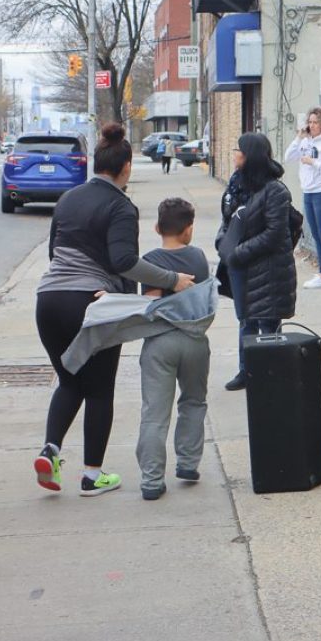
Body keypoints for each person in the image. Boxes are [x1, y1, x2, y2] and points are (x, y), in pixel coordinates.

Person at [34, 123, 196, 496]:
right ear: (126, 168)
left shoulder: (69, 198)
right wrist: (172, 280)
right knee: (99, 388)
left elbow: (53, 254)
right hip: (90, 303)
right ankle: (92, 475)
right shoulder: (120, 206)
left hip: (48, 301)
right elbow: (123, 260)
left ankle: (51, 449)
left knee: (70, 380)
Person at [136, 198, 212, 500]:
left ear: (157, 228)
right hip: (194, 340)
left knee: (155, 412)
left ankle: (152, 480)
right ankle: (188, 463)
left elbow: (152, 303)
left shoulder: (151, 260)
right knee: (194, 402)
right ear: (188, 229)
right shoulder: (198, 257)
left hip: (161, 343)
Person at [219, 133, 298, 391]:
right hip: (242, 269)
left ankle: (271, 374)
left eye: (237, 150)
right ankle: (248, 372)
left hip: (268, 270)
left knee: (267, 323)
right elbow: (229, 222)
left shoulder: (274, 190)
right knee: (246, 322)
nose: (233, 155)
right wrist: (222, 243)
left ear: (250, 155)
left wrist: (239, 252)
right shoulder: (237, 185)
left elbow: (275, 234)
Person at [285, 107, 321, 288]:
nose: (312, 125)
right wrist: (298, 138)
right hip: (308, 191)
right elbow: (288, 157)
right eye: (310, 122)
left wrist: (314, 162)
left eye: (315, 122)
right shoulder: (306, 142)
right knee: (315, 233)